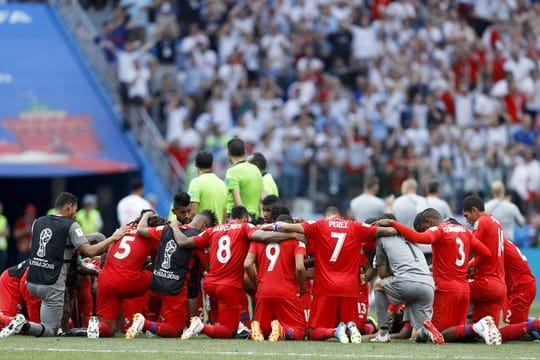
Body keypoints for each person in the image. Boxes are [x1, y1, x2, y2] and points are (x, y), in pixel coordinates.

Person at [0, 192, 127, 338]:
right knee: (49, 331)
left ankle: (21, 323)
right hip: (51, 283)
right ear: (69, 206)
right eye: (74, 209)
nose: (75, 214)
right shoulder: (71, 225)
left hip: (31, 280)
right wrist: (113, 238)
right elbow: (90, 251)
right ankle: (23, 324)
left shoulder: (38, 222)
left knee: (51, 323)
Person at [262, 206, 396, 344]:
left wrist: (267, 227)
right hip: (349, 289)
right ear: (341, 217)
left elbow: (287, 227)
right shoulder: (355, 226)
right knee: (356, 326)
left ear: (327, 217)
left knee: (312, 332)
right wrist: (394, 226)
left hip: (325, 288)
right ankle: (351, 328)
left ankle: (335, 331)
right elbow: (386, 231)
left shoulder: (320, 225)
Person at [376, 209, 499, 345]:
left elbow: (417, 238)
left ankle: (478, 326)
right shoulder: (464, 230)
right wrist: (469, 266)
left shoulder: (439, 230)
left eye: (424, 229)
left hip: (446, 289)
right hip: (464, 289)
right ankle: (478, 327)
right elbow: (486, 253)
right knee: (455, 335)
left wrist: (393, 223)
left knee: (436, 333)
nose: (426, 232)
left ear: (428, 222)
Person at [176, 205, 300, 340]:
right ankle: (201, 326)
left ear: (230, 217)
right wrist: (292, 234)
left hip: (209, 284)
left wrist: (173, 226)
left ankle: (208, 325)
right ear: (245, 218)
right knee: (228, 331)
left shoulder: (213, 230)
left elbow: (183, 242)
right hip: (229, 287)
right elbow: (264, 237)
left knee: (218, 326)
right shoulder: (245, 227)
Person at [126, 210, 217, 339]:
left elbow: (141, 230)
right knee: (175, 330)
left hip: (156, 284)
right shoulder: (198, 239)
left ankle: (151, 326)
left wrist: (146, 215)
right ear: (205, 227)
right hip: (175, 289)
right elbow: (209, 268)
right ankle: (144, 323)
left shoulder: (165, 228)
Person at [88, 210, 168, 338]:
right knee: (163, 273)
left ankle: (96, 327)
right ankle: (158, 320)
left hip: (106, 279)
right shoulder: (150, 234)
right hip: (128, 281)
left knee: (109, 328)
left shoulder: (123, 229)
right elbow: (157, 263)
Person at [370, 213, 441, 345]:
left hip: (407, 283)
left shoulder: (381, 239)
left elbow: (382, 274)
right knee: (416, 336)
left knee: (378, 284)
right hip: (428, 285)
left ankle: (383, 333)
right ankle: (426, 331)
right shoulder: (410, 237)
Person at [244, 214, 307, 341]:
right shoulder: (297, 240)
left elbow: (247, 264)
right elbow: (300, 267)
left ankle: (258, 329)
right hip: (287, 291)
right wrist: (302, 287)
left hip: (264, 291)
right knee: (299, 332)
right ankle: (282, 330)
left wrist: (258, 284)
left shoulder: (258, 240)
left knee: (263, 331)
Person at [461, 195, 506, 327]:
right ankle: (533, 325)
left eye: (466, 215)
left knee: (453, 290)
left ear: (474, 210)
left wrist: (463, 266)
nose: (467, 220)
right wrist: (472, 265)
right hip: (500, 286)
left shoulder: (481, 222)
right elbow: (487, 254)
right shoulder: (496, 223)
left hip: (485, 283)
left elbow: (470, 247)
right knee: (491, 331)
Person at [224, 138, 263, 219]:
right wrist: (261, 217)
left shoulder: (232, 172)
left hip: (238, 217)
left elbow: (236, 198)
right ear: (244, 152)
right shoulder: (256, 169)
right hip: (254, 217)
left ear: (228, 153)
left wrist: (244, 217)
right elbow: (261, 197)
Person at [187, 151, 228, 224]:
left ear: (195, 164)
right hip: (218, 232)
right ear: (213, 165)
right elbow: (224, 214)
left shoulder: (195, 182)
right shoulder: (223, 184)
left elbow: (193, 212)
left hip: (201, 231)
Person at [502, 238, 536, 325]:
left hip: (521, 287)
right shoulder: (502, 241)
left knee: (513, 331)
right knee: (512, 327)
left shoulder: (497, 244)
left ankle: (536, 325)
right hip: (517, 287)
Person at [0, 202, 9, 271]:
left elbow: (8, 233)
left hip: (3, 248)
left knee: (2, 269)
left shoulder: (4, 219)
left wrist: (4, 232)